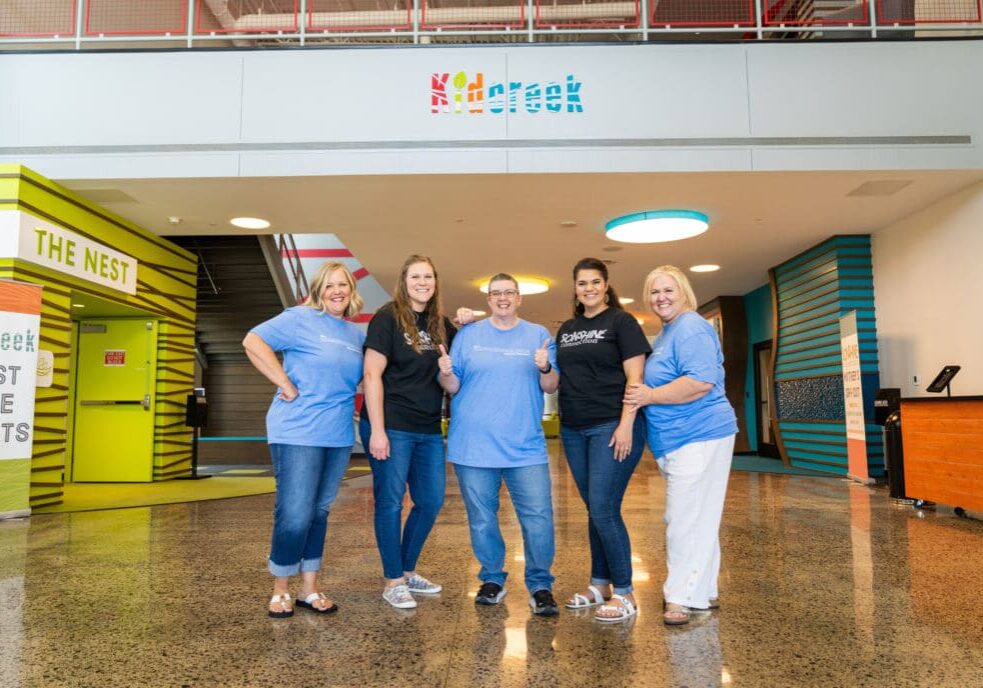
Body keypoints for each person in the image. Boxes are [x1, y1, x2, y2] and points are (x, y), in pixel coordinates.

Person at [243, 261, 365, 618]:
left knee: (319, 511)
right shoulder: (298, 318)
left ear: (351, 292)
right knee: (295, 513)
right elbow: (253, 340)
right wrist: (285, 383)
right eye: (329, 286)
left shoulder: (356, 335)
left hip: (338, 434)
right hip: (297, 429)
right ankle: (280, 587)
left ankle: (309, 588)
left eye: (343, 285)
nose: (337, 291)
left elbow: (352, 379)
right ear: (318, 290)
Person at [437, 273, 561, 616]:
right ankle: (492, 578)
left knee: (538, 519)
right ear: (488, 299)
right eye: (496, 293)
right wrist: (445, 370)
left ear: (519, 298)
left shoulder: (538, 335)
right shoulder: (468, 335)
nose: (503, 298)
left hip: (525, 448)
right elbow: (453, 386)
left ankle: (540, 585)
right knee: (482, 519)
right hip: (473, 447)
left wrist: (546, 365)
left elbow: (551, 386)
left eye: (509, 293)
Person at [623, 265, 737, 626]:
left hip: (700, 433)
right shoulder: (668, 332)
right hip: (683, 438)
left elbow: (701, 382)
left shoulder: (690, 326)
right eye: (655, 292)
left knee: (683, 517)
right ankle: (703, 588)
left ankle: (680, 597)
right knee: (700, 515)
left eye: (668, 290)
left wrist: (651, 394)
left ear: (684, 292)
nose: (661, 298)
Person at [555, 258, 650, 623]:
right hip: (574, 429)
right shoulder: (567, 329)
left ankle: (625, 592)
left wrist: (627, 424)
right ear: (575, 288)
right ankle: (599, 584)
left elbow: (635, 378)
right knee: (595, 509)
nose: (589, 288)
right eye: (582, 283)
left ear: (606, 285)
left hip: (611, 425)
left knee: (604, 508)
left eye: (595, 282)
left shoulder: (621, 322)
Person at [359, 254, 456, 609]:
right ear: (404, 280)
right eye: (416, 276)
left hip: (427, 427)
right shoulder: (388, 317)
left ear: (435, 282)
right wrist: (378, 431)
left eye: (428, 277)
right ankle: (392, 580)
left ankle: (407, 569)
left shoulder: (440, 324)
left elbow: (458, 367)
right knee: (389, 502)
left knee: (430, 501)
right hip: (392, 424)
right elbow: (372, 375)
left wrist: (467, 322)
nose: (422, 283)